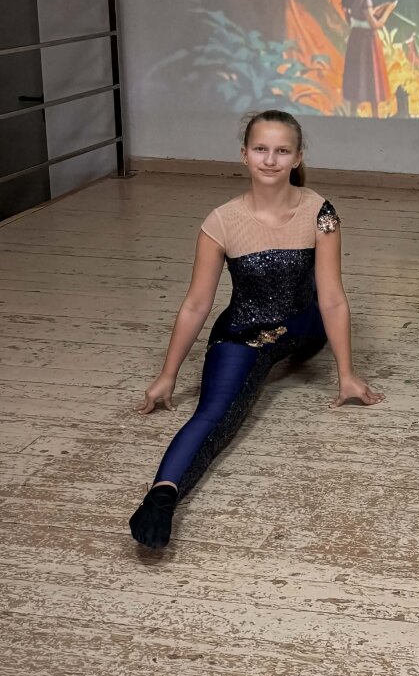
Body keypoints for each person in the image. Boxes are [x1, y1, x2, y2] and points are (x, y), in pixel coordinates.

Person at [128, 111, 382, 550]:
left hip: (306, 324)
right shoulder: (221, 222)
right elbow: (196, 304)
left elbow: (333, 298)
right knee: (215, 415)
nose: (270, 159)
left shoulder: (320, 212)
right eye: (261, 149)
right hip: (244, 335)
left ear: (297, 157)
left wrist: (347, 373)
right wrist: (168, 374)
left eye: (282, 151)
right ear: (244, 154)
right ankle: (162, 495)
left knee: (314, 304)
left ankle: (301, 354)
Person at [341, 0, 396, 118]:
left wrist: (377, 9)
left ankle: (352, 115)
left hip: (355, 40)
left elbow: (358, 17)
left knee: (356, 77)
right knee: (372, 78)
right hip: (367, 42)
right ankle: (375, 117)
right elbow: (375, 24)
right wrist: (388, 11)